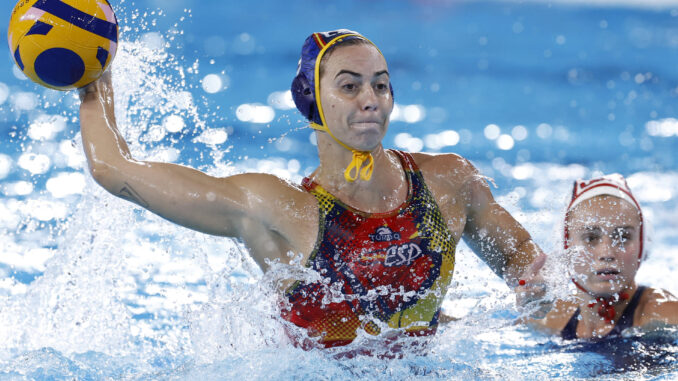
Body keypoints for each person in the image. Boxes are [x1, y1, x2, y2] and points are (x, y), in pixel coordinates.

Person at [79, 29, 547, 349]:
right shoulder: (278, 210)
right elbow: (114, 169)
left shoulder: (448, 183)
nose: (370, 99)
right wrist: (92, 76)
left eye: (381, 86)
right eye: (350, 86)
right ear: (312, 99)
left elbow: (519, 257)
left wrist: (538, 292)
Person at [526, 174, 678, 340]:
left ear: (643, 247)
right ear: (566, 246)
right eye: (590, 238)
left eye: (623, 237)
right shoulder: (547, 319)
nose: (607, 254)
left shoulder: (667, 315)